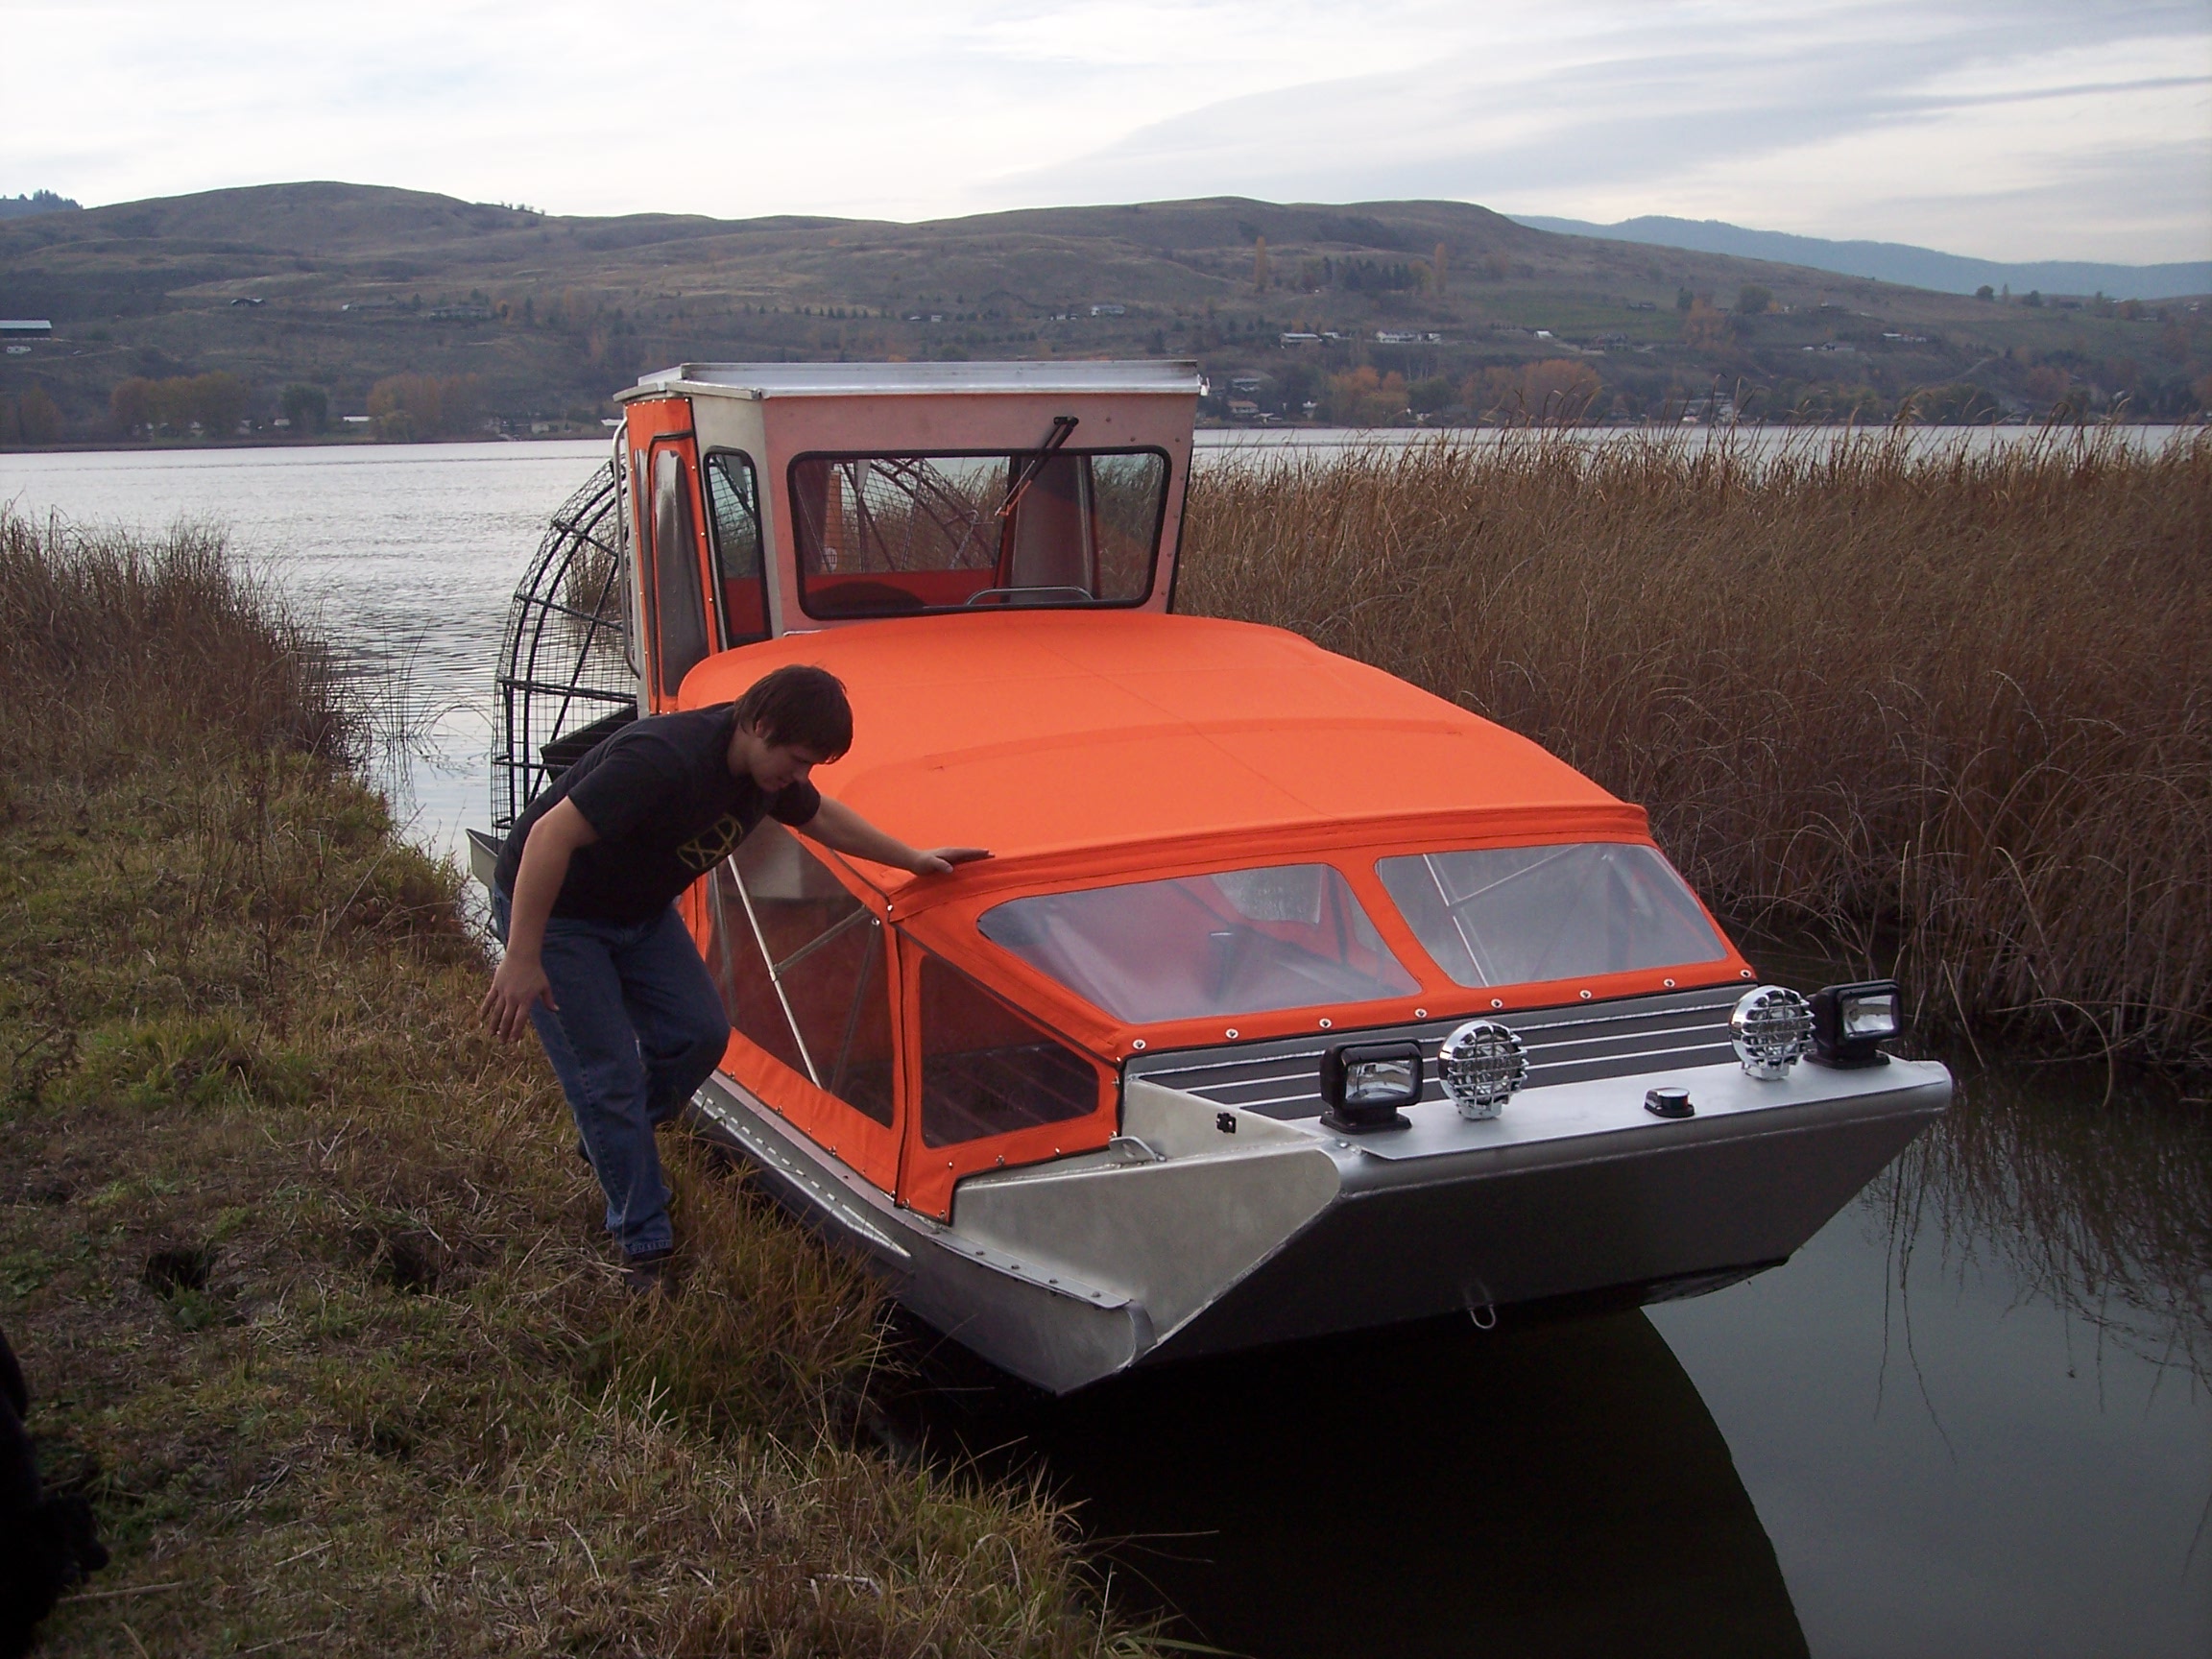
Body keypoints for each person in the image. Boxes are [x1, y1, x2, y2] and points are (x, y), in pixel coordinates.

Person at [480, 663, 986, 1288]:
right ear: (759, 724)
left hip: (637, 913)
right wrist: (522, 956)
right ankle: (645, 1245)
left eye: (809, 768)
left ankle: (614, 1138)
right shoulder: (662, 759)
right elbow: (547, 838)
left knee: (699, 1035)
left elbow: (820, 816)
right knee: (604, 1074)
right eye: (797, 760)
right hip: (559, 915)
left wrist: (913, 858)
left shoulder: (767, 775)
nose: (797, 778)